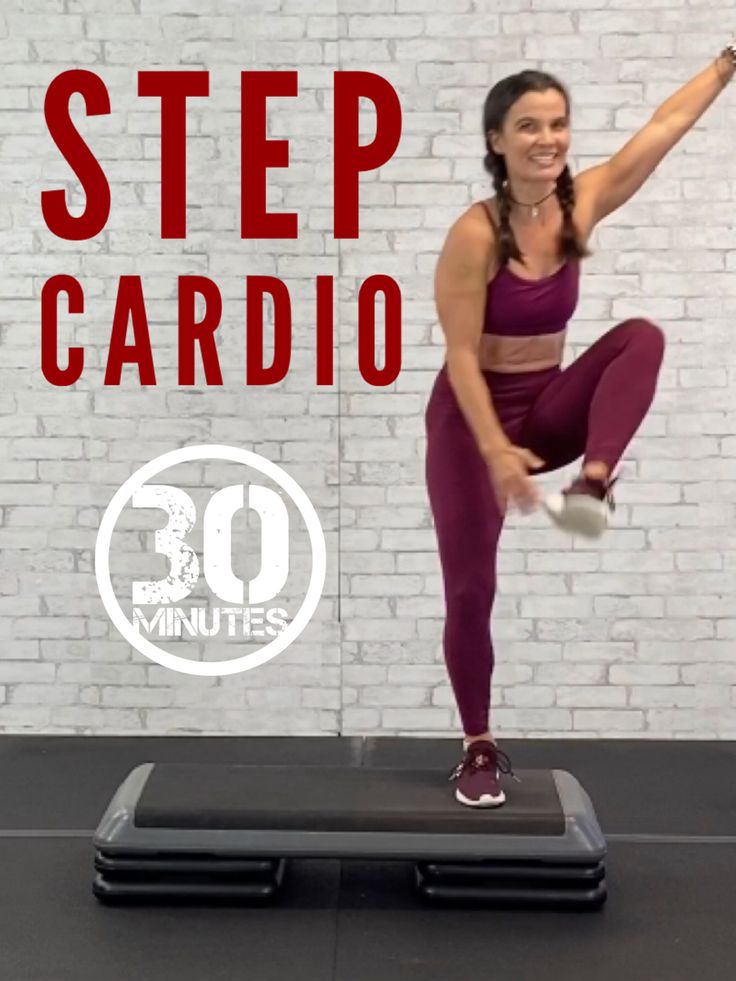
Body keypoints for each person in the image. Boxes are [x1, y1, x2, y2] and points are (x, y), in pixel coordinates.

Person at [426, 48, 736, 809]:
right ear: (497, 140)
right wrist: (497, 451)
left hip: (548, 407)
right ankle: (478, 746)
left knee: (642, 336)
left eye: (558, 123)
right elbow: (461, 358)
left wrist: (728, 63)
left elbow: (665, 125)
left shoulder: (582, 202)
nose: (548, 138)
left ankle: (592, 484)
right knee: (471, 586)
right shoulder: (475, 233)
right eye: (529, 126)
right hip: (473, 420)